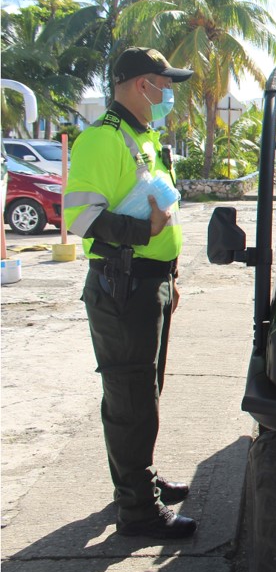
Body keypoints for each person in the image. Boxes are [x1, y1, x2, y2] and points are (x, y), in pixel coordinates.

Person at [63, 47, 196, 538]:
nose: (169, 96)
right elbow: (82, 218)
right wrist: (146, 236)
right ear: (143, 85)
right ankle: (138, 510)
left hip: (149, 281)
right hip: (123, 283)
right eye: (166, 86)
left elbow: (162, 213)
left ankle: (137, 479)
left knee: (144, 391)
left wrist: (171, 276)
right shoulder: (103, 139)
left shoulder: (144, 137)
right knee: (130, 397)